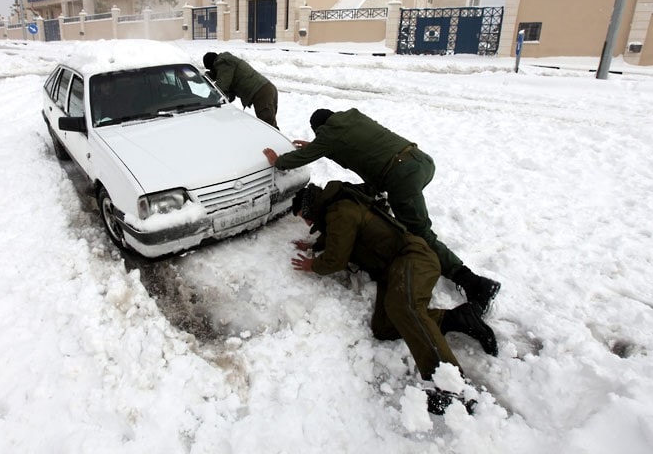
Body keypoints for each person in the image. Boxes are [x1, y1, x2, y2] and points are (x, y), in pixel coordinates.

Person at [264, 108, 500, 315]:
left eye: (320, 136)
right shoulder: (352, 118)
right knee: (392, 214)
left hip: (401, 176)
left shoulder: (330, 134)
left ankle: (474, 283)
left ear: (320, 130)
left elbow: (308, 154)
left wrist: (279, 161)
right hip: (419, 161)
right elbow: (352, 145)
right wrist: (319, 147)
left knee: (421, 233)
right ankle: (398, 242)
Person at [289, 181, 498, 414]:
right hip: (393, 270)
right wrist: (317, 244)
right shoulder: (336, 211)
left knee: (406, 308)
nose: (307, 223)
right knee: (385, 327)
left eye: (304, 216)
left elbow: (335, 259)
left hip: (411, 257)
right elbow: (340, 236)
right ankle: (459, 319)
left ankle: (453, 386)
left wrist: (312, 265)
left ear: (311, 208)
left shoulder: (341, 210)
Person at [203, 51, 279, 128]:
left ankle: (277, 140)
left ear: (212, 64)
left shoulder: (223, 63)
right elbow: (219, 75)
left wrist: (209, 99)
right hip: (267, 88)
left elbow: (221, 86)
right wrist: (200, 77)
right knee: (270, 125)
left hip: (261, 93)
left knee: (268, 126)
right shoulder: (227, 61)